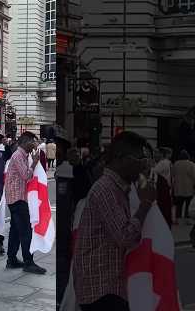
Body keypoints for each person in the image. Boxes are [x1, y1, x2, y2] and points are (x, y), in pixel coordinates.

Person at [73, 131, 157, 311]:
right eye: (140, 159)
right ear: (121, 158)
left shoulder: (120, 189)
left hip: (110, 285)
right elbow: (125, 237)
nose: (144, 166)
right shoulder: (106, 189)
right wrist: (146, 203)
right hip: (101, 289)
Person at [5, 131, 47, 274]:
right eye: (33, 141)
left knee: (16, 231)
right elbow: (26, 176)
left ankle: (11, 259)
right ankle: (28, 262)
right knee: (26, 231)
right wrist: (35, 162)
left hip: (16, 198)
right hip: (17, 198)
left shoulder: (22, 155)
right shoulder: (18, 156)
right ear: (25, 141)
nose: (35, 144)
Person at [172, 150, 195, 226]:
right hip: (189, 188)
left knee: (179, 205)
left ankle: (178, 219)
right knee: (188, 205)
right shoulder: (191, 164)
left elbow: (173, 174)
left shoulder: (176, 164)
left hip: (178, 188)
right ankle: (187, 219)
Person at [153, 148, 173, 228]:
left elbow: (153, 172)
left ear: (162, 154)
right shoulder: (168, 162)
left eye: (157, 153)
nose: (155, 155)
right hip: (167, 187)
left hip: (162, 188)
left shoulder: (162, 163)